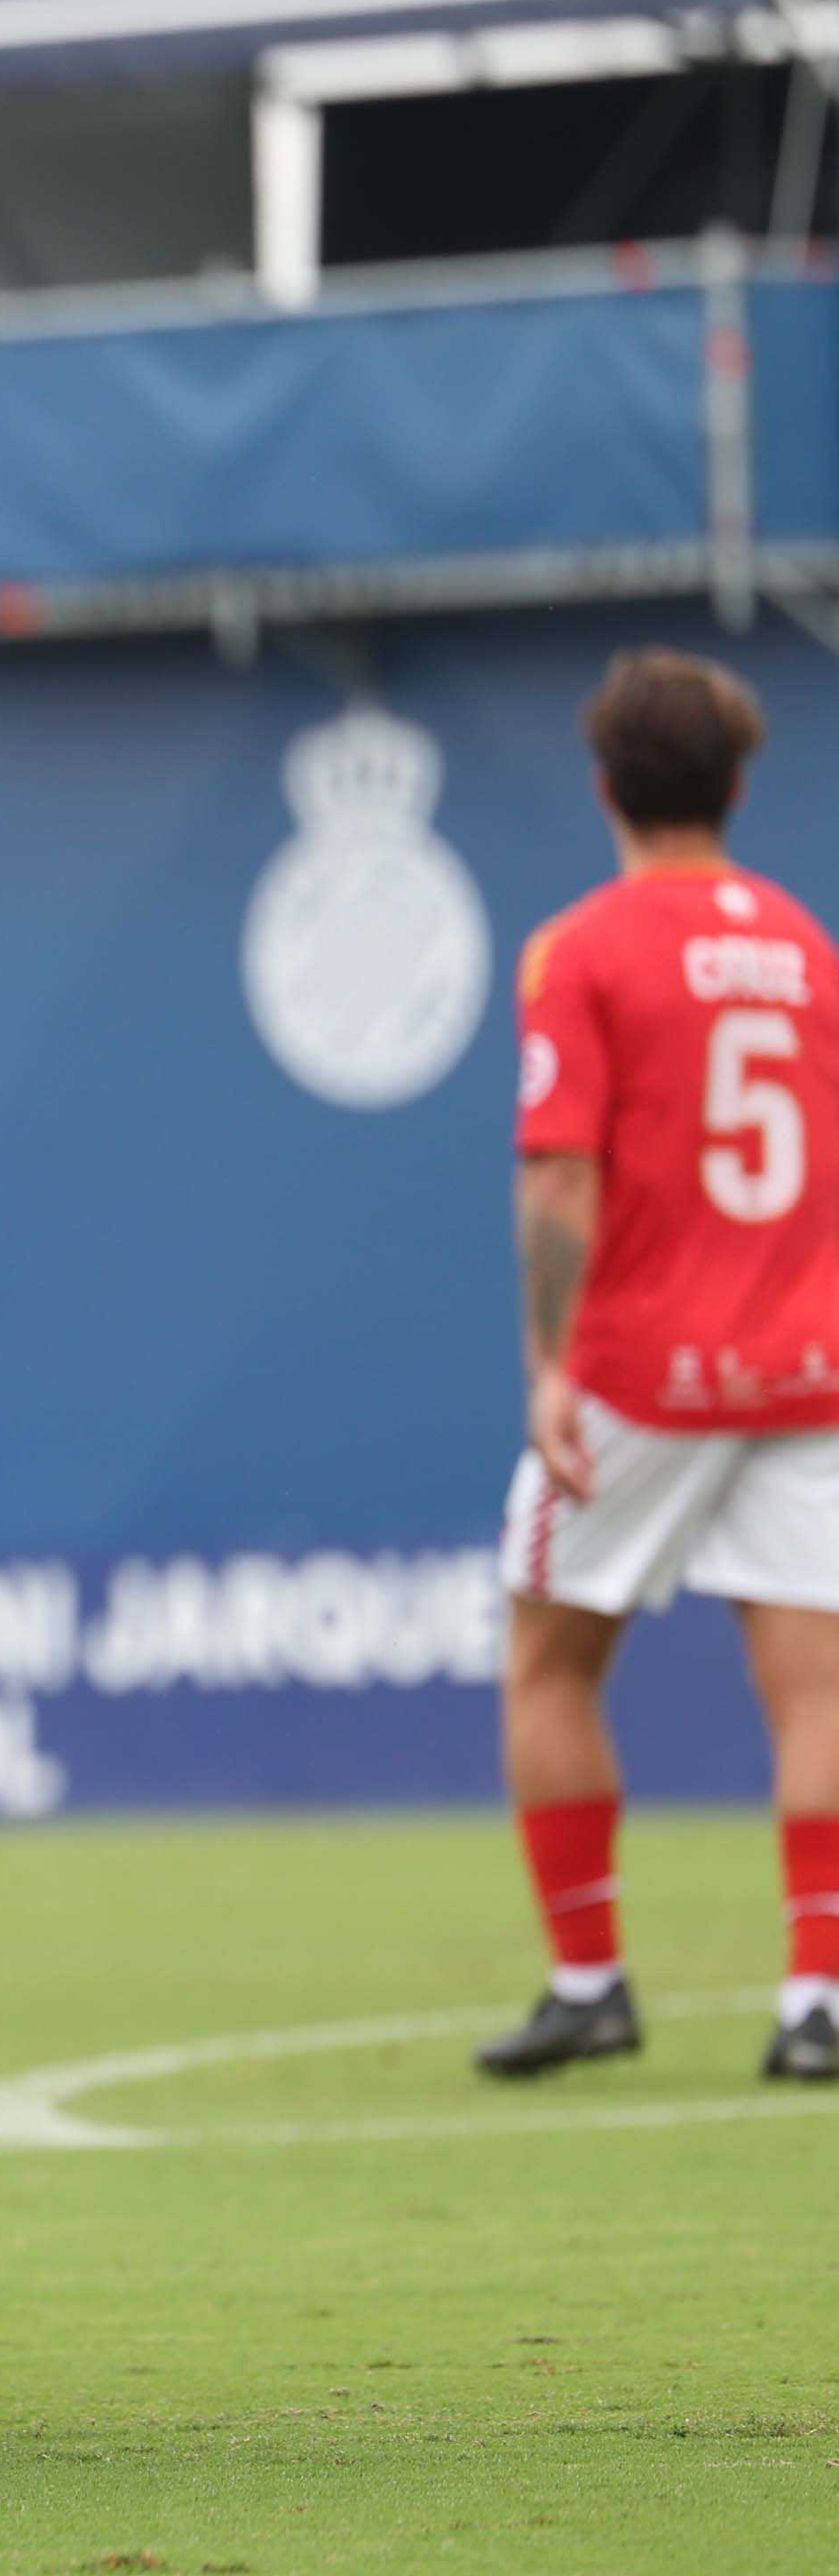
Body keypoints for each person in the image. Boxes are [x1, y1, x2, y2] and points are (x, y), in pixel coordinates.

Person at [486, 647, 839, 2087]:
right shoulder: (812, 951)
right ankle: (817, 1999)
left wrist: (551, 1363)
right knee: (814, 1690)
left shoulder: (585, 949)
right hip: (807, 1365)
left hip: (644, 1368)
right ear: (739, 785)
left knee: (547, 1656)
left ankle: (590, 1978)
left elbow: (560, 1181)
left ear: (606, 786)